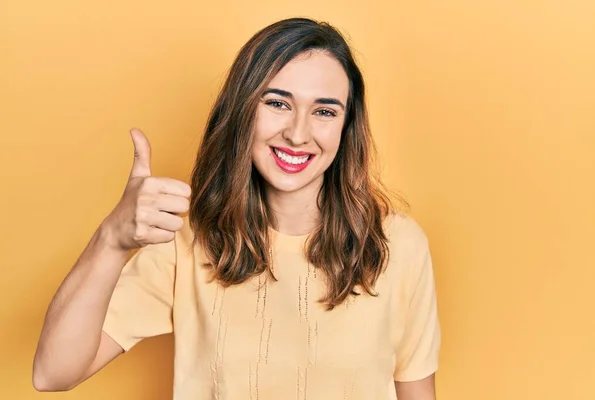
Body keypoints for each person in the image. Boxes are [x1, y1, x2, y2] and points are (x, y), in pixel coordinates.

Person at [32, 17, 441, 400]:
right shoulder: (186, 241)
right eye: (277, 103)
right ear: (242, 110)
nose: (298, 134)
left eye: (324, 111)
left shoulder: (398, 245)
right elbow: (53, 373)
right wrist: (112, 239)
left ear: (345, 127)